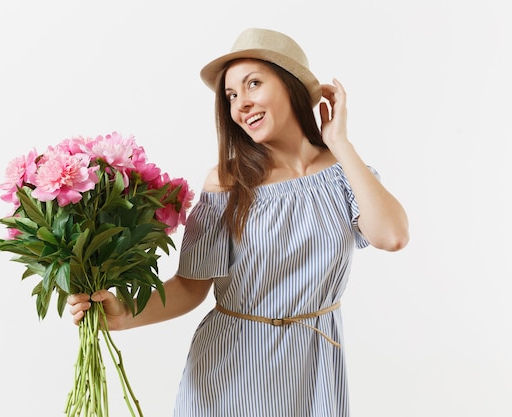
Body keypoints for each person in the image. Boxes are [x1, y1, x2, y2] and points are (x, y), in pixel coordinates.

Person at [68, 27, 409, 417]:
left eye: (253, 84)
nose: (241, 104)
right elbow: (191, 286)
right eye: (231, 96)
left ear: (292, 86)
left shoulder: (343, 174)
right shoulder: (227, 182)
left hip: (314, 366)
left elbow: (393, 236)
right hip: (231, 368)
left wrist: (341, 144)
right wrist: (124, 315)